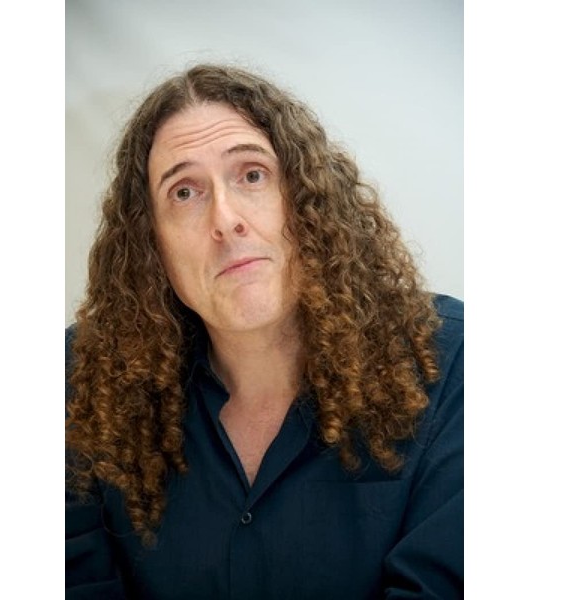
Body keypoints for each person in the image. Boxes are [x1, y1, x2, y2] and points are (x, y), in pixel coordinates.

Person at [65, 64, 463, 599]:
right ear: (150, 245)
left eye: (252, 175)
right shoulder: (82, 385)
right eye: (184, 192)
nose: (225, 219)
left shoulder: (452, 363)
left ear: (308, 200)